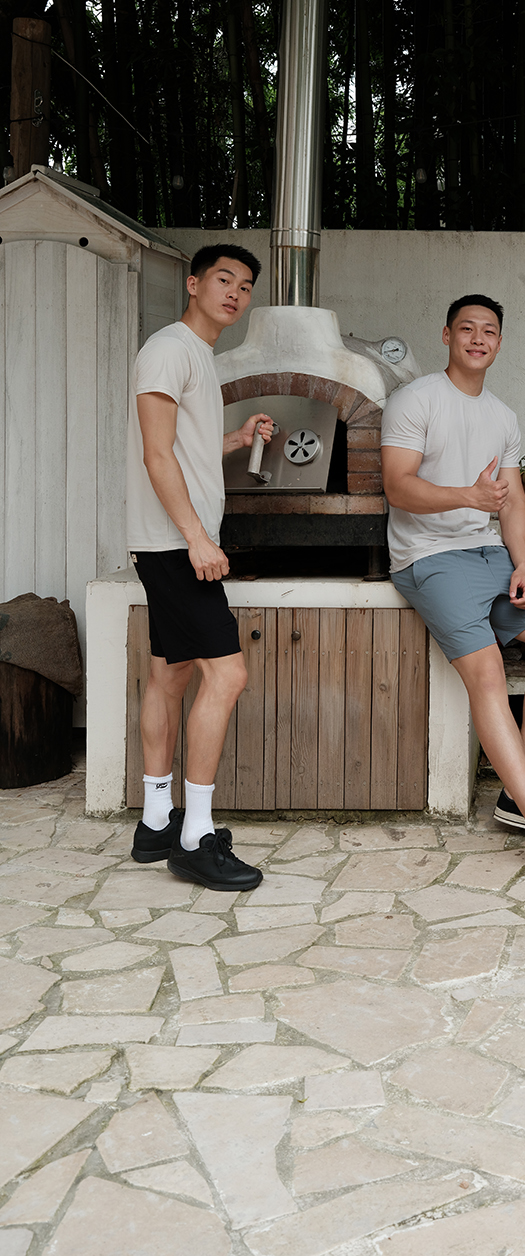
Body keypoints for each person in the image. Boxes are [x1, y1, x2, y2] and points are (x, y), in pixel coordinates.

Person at [381, 295, 525, 884]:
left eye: (490, 332)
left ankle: (516, 791)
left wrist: (522, 563)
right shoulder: (415, 399)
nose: (478, 339)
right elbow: (398, 486)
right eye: (468, 329)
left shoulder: (502, 416)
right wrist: (467, 497)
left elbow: (514, 500)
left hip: (490, 555)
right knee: (489, 675)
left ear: (499, 343)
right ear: (447, 335)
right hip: (429, 557)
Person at [127, 244, 274, 891]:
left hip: (169, 542)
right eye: (223, 279)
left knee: (171, 674)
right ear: (193, 284)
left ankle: (157, 821)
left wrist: (236, 441)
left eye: (245, 285)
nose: (234, 292)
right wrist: (196, 539)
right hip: (173, 544)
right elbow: (156, 454)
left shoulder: (197, 355)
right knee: (228, 674)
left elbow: (183, 448)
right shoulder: (168, 349)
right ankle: (196, 837)